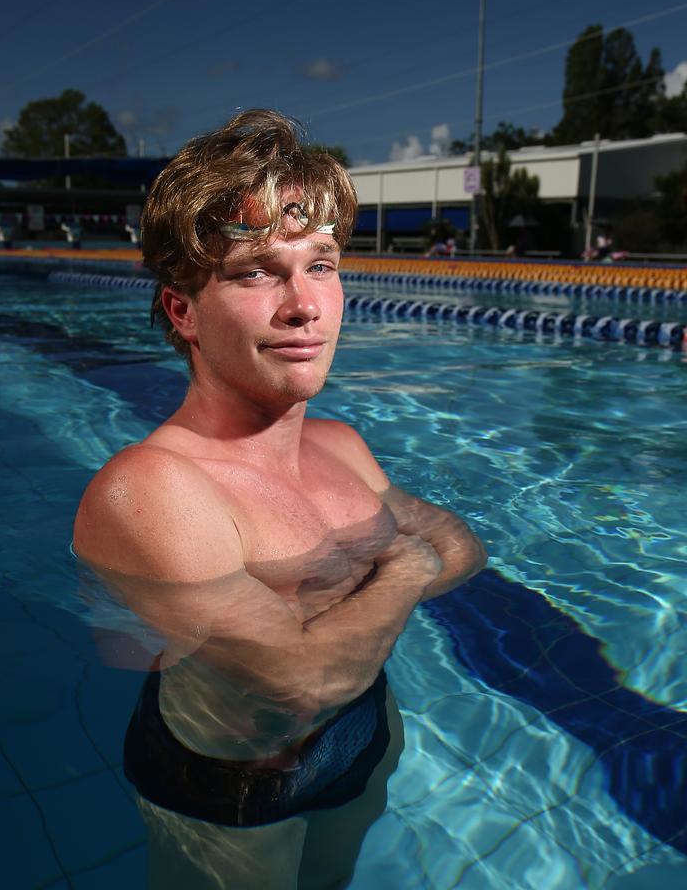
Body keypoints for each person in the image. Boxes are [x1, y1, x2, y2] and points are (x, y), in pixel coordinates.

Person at [73, 109, 486, 889]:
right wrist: (398, 567)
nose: (305, 305)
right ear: (182, 311)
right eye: (257, 270)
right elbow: (304, 680)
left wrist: (360, 598)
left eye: (322, 264)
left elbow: (465, 547)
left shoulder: (341, 447)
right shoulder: (149, 490)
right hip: (234, 784)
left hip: (362, 732)